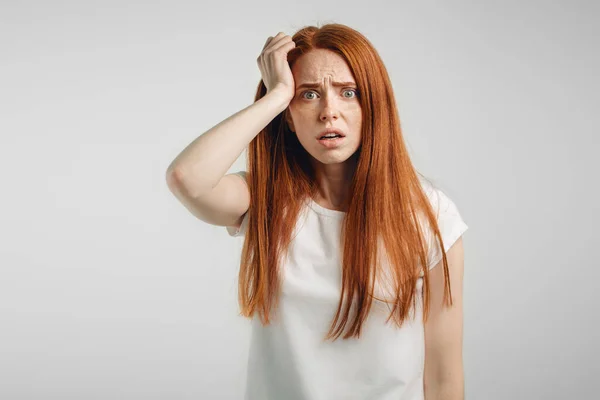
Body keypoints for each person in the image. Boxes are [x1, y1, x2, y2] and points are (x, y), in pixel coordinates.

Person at [166, 23, 468, 400]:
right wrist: (275, 97)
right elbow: (187, 178)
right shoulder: (264, 199)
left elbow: (442, 379)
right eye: (308, 94)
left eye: (349, 93)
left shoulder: (430, 213)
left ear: (373, 105)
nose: (330, 112)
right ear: (289, 118)